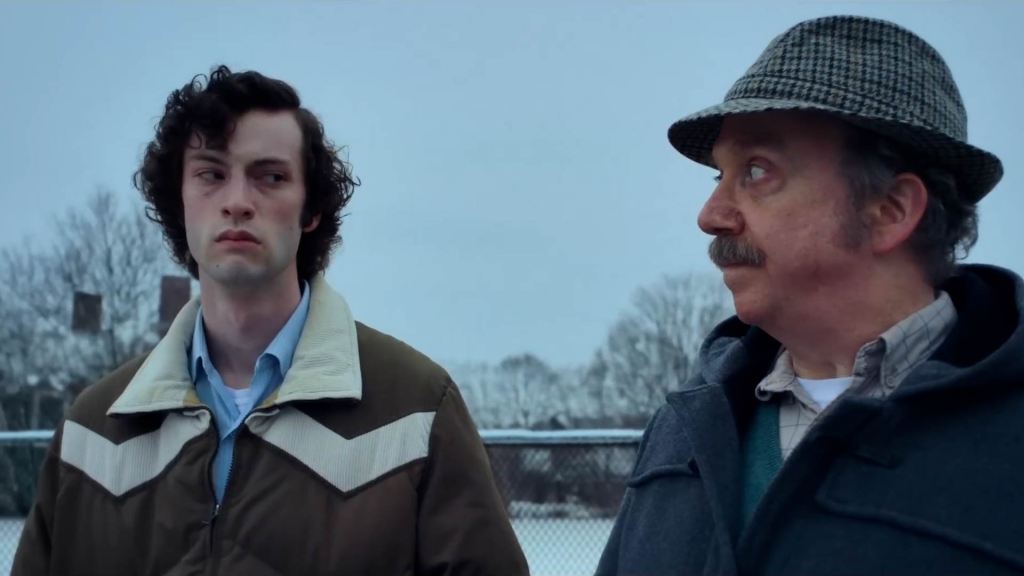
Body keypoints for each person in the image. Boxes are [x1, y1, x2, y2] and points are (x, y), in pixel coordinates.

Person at [14, 65, 528, 576]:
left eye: (271, 177)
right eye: (211, 174)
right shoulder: (92, 432)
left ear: (311, 210)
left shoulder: (417, 408)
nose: (238, 202)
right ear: (180, 202)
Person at [597, 15, 1024, 576]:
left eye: (756, 171)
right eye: (718, 177)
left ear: (890, 210)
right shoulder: (687, 428)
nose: (710, 216)